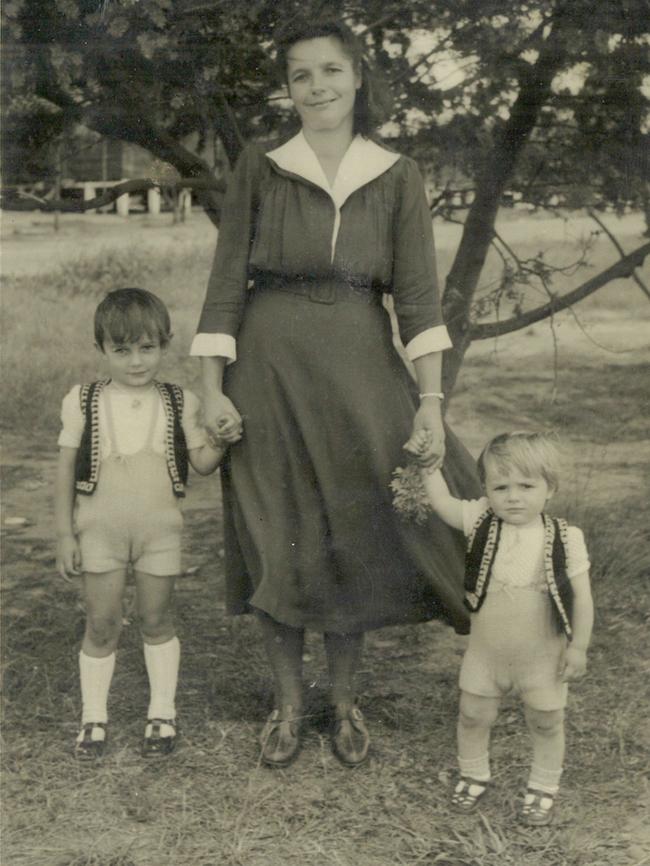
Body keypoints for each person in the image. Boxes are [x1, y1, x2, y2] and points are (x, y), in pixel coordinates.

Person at [191, 18, 480, 769]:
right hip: (268, 367)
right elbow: (225, 285)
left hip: (357, 366)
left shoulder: (396, 173)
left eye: (330, 71)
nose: (317, 87)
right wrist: (208, 390)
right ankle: (288, 705)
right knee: (276, 529)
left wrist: (429, 403)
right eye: (300, 75)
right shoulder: (262, 164)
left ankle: (345, 702)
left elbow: (418, 301)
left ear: (358, 75)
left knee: (352, 527)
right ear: (287, 89)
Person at [55, 288, 225, 760]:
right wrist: (66, 534)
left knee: (156, 619)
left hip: (159, 533)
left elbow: (205, 463)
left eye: (147, 348)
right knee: (102, 621)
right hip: (99, 530)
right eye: (122, 350)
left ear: (164, 346)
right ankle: (93, 718)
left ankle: (162, 713)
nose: (135, 362)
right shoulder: (83, 400)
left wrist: (225, 437)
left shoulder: (179, 402)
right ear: (101, 350)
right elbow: (66, 470)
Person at [405, 430, 594, 825]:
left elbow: (583, 597)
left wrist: (578, 648)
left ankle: (543, 786)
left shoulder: (565, 537)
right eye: (501, 486)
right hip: (487, 652)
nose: (513, 496)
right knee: (473, 713)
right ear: (486, 489)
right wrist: (428, 467)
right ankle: (473, 775)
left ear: (550, 489)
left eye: (526, 486)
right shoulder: (480, 520)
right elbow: (441, 503)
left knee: (546, 719)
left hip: (542, 655)